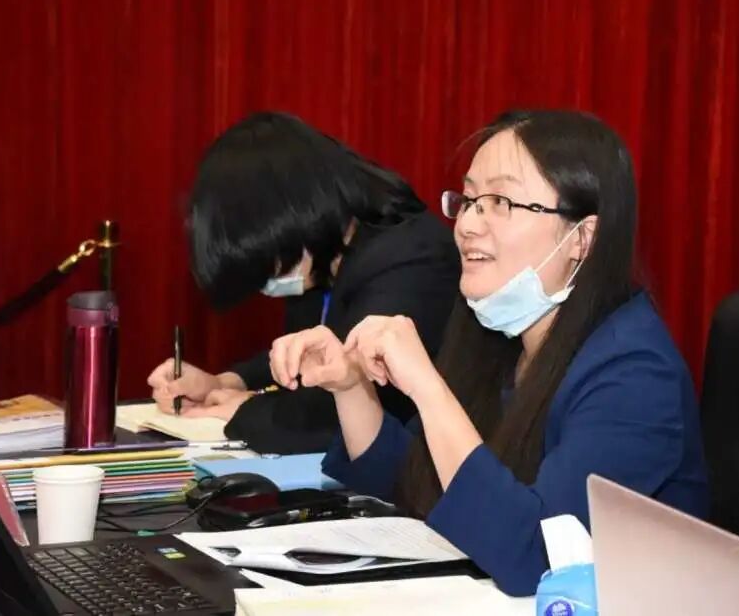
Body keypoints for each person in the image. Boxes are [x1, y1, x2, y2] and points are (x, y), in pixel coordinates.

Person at [267, 110, 710, 594]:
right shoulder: (501, 336)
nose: (468, 225)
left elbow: (536, 557)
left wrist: (427, 388)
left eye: (500, 202)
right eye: (469, 200)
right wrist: (350, 386)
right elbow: (415, 479)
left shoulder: (635, 376)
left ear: (582, 239)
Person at [146, 112, 460, 453]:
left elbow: (343, 414)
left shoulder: (412, 261)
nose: (267, 285)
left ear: (292, 217)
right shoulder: (323, 256)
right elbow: (305, 362)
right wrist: (224, 383)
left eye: (266, 264)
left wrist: (243, 410)